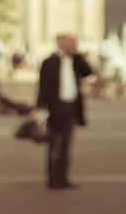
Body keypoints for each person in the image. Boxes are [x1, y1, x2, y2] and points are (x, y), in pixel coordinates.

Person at [36, 34, 92, 190]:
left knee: (66, 146)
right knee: (55, 145)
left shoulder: (75, 61)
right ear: (59, 43)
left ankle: (64, 177)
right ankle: (52, 178)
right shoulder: (49, 62)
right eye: (70, 42)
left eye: (74, 42)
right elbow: (43, 87)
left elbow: (88, 72)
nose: (73, 45)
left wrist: (78, 55)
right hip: (56, 108)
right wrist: (40, 108)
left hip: (72, 107)